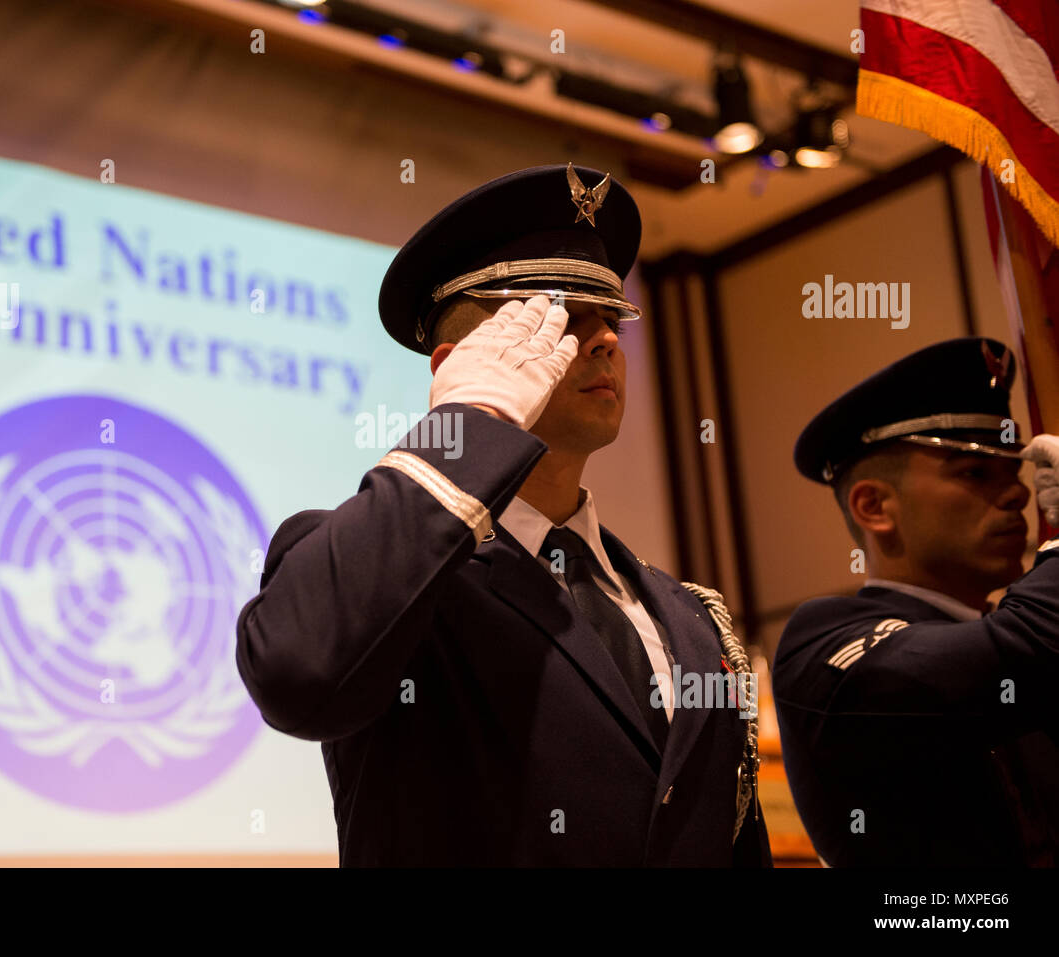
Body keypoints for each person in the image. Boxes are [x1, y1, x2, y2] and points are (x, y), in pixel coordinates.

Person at [235, 163, 770, 866]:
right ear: (463, 365)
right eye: (565, 315)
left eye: (612, 315)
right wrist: (466, 428)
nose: (606, 338)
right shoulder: (394, 581)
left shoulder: (690, 618)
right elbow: (298, 672)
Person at [773, 337, 1059, 867]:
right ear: (875, 506)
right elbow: (1025, 650)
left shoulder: (1015, 628)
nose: (1019, 494)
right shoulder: (824, 640)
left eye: (1014, 473)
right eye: (974, 472)